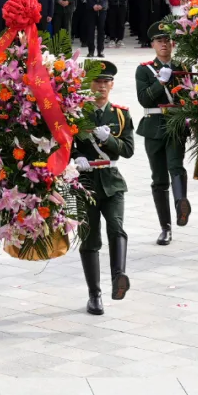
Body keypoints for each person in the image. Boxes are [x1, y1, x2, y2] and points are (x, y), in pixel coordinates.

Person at [73, 60, 134, 316]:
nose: (101, 86)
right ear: (89, 84)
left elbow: (128, 150)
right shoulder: (76, 112)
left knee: (117, 228)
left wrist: (108, 139)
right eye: (97, 81)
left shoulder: (120, 114)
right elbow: (64, 144)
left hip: (112, 180)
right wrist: (76, 156)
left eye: (105, 82)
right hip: (86, 182)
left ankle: (119, 276)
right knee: (90, 239)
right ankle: (94, 294)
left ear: (112, 85)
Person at [136, 22, 189, 245]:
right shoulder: (144, 70)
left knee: (176, 166)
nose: (164, 44)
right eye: (159, 41)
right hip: (153, 127)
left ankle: (181, 204)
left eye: (167, 40)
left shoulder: (182, 67)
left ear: (173, 43)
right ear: (153, 45)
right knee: (158, 179)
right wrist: (161, 82)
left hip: (175, 125)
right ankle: (165, 228)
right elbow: (144, 99)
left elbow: (190, 96)